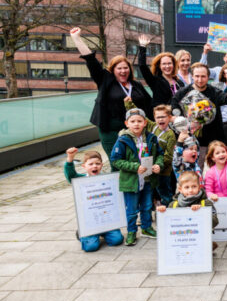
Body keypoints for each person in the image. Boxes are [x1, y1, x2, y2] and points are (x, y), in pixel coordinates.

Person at [71, 27, 151, 158]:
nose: (123, 71)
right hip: (110, 131)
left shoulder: (136, 85)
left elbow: (148, 104)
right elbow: (92, 61)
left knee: (136, 161)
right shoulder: (105, 81)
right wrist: (76, 39)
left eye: (126, 68)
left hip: (135, 130)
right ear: (113, 70)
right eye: (119, 68)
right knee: (117, 161)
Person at [110, 108, 163, 246]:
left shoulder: (151, 138)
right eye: (132, 121)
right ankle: (132, 231)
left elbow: (160, 155)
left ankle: (146, 228)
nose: (136, 124)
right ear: (127, 123)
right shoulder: (123, 140)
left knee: (146, 206)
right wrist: (135, 167)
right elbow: (115, 160)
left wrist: (158, 164)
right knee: (132, 209)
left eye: (139, 121)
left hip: (147, 179)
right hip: (131, 181)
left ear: (145, 123)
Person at [170, 62, 227, 161]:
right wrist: (188, 123)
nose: (200, 80)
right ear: (192, 76)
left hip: (214, 140)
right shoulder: (182, 93)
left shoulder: (214, 91)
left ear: (208, 77)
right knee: (196, 172)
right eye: (197, 76)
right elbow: (174, 116)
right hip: (193, 143)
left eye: (203, 76)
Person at [64, 147, 124, 252]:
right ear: (84, 166)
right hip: (89, 221)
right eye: (91, 164)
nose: (94, 166)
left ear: (102, 165)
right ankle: (82, 233)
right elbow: (70, 175)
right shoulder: (80, 180)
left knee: (117, 240)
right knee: (90, 247)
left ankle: (104, 233)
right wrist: (70, 158)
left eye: (97, 163)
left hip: (107, 219)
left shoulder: (108, 179)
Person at [125, 99, 176, 207]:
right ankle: (153, 209)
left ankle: (170, 210)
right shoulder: (152, 126)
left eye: (163, 117)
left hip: (162, 171)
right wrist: (129, 104)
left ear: (169, 118)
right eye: (158, 117)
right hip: (148, 167)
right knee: (151, 191)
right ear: (154, 118)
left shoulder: (170, 134)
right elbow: (138, 116)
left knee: (164, 191)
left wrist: (159, 166)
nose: (161, 119)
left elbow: (169, 155)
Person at [158, 171, 219, 248]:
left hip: (200, 239)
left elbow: (215, 221)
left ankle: (209, 246)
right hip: (180, 241)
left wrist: (201, 212)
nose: (190, 190)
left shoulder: (206, 203)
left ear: (199, 187)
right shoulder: (173, 205)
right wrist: (162, 212)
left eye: (194, 186)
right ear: (180, 189)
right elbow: (165, 225)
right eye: (187, 187)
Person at [138, 36, 184, 107]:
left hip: (177, 115)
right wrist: (143, 47)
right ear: (159, 66)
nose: (167, 66)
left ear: (174, 65)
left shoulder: (179, 83)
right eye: (164, 64)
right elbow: (142, 66)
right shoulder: (155, 81)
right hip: (162, 116)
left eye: (169, 63)